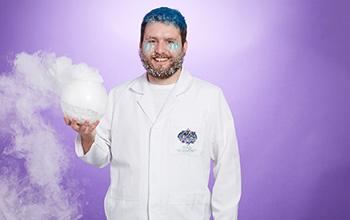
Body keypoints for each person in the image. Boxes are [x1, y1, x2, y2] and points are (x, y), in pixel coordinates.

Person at [64, 6, 241, 220]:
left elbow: (227, 170)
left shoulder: (210, 97)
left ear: (184, 47)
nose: (160, 50)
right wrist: (86, 135)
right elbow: (99, 157)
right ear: (140, 46)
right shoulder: (119, 96)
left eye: (170, 42)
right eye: (151, 41)